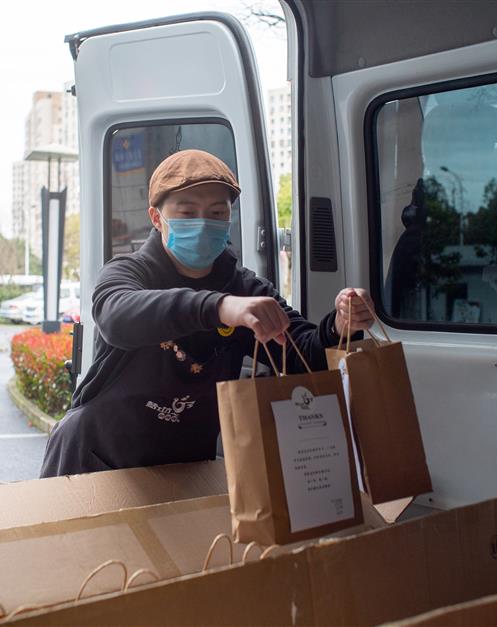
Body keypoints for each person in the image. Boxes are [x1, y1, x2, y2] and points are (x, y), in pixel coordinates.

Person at [40, 149, 374, 477]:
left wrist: (340, 326)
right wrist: (219, 308)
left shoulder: (244, 287)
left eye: (216, 213)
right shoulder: (128, 272)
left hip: (186, 467)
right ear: (157, 218)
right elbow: (117, 317)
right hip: (97, 460)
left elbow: (303, 353)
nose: (202, 224)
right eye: (187, 213)